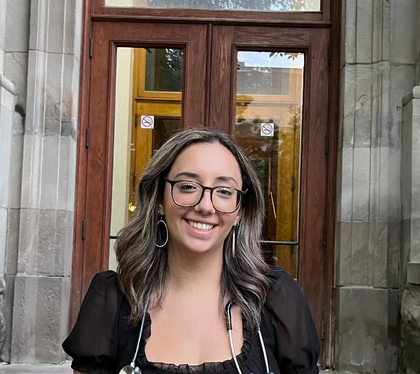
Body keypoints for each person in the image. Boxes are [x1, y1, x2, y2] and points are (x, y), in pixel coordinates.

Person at [63, 127, 320, 373]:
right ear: (160, 200)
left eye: (224, 191)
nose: (206, 206)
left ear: (240, 210)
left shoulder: (276, 298)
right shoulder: (112, 300)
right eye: (188, 186)